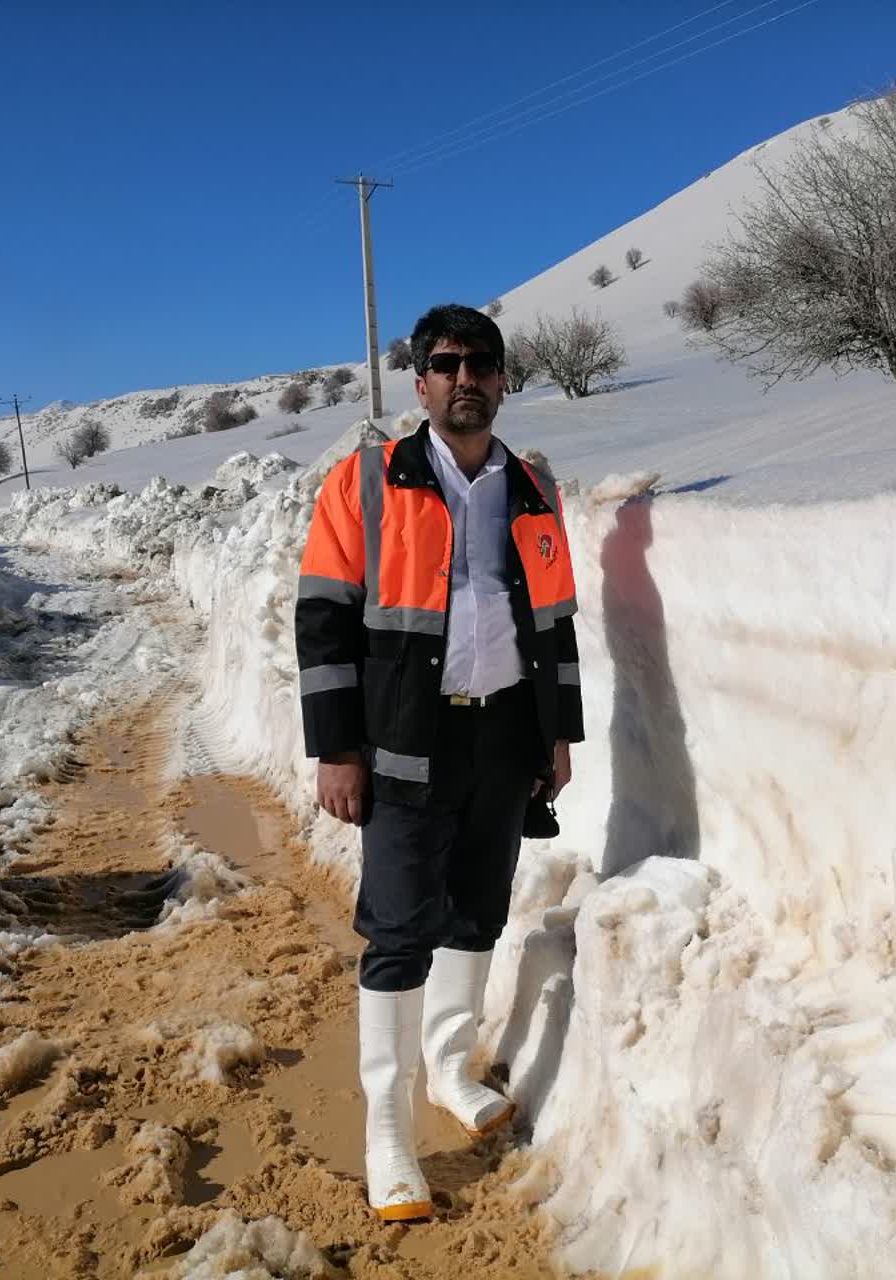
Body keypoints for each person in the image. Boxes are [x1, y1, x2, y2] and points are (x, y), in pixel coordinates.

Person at [294, 303, 584, 1221]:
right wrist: (336, 748)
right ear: (418, 381)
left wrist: (557, 733)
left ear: (503, 379)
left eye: (483, 363)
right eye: (447, 363)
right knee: (398, 926)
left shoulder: (532, 484)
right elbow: (324, 620)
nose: (467, 378)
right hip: (403, 738)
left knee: (476, 909)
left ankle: (452, 1069)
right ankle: (386, 1130)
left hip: (503, 734)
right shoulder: (365, 482)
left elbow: (555, 619)